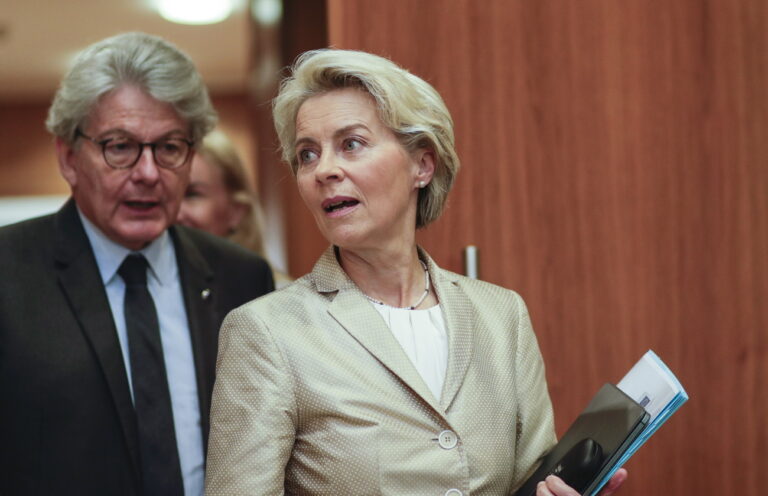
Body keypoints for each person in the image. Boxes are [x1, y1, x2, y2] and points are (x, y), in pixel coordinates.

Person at [204, 49, 627, 495]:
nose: (323, 170)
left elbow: (531, 481)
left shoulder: (503, 317)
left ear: (422, 165)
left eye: (351, 143)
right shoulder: (266, 332)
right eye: (307, 154)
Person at [0, 32, 274, 496]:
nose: (148, 173)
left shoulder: (241, 277)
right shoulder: (9, 273)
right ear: (68, 157)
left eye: (169, 147)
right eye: (120, 146)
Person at [177, 129, 292, 288]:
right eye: (168, 195)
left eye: (192, 195)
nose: (176, 213)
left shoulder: (277, 297)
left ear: (237, 211)